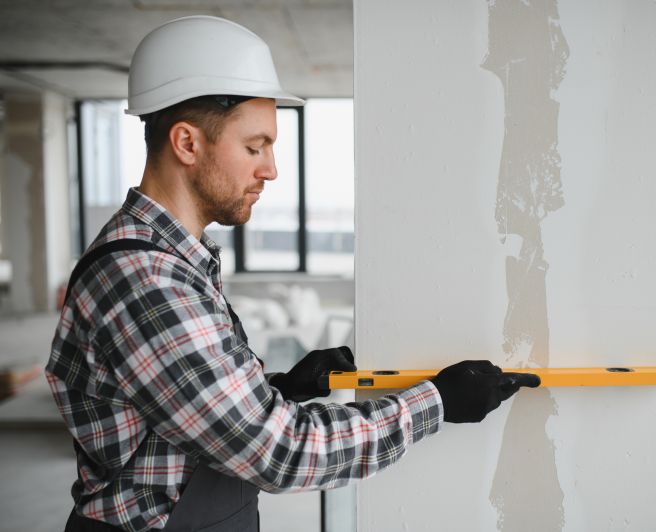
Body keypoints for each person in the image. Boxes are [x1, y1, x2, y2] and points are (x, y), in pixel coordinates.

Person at [46, 15, 539, 532]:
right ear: (187, 144)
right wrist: (435, 403)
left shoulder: (172, 258)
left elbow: (171, 417)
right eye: (255, 147)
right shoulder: (145, 279)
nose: (271, 169)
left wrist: (280, 389)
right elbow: (278, 452)